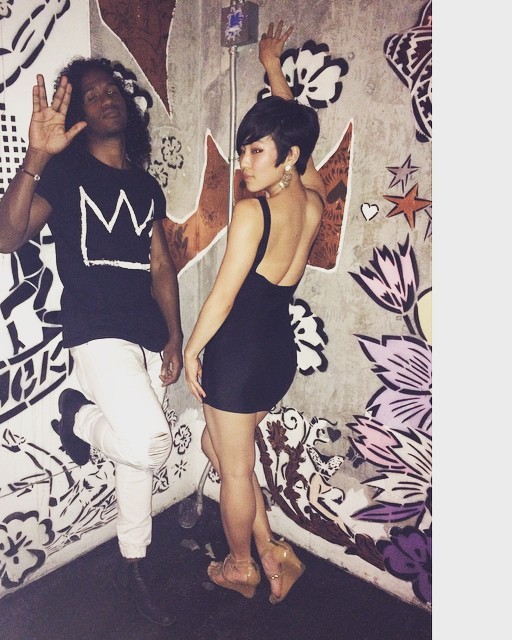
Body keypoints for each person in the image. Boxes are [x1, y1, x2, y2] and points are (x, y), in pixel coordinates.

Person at [0, 57, 183, 626]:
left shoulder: (144, 185)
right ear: (79, 114)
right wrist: (36, 157)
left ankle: (133, 563)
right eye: (92, 95)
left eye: (111, 89)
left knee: (136, 463)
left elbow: (161, 267)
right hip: (96, 330)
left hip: (148, 331)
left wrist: (174, 335)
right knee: (151, 443)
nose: (106, 98)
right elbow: (4, 239)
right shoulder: (65, 175)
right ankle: (75, 416)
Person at [183, 21, 326, 604]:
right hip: (276, 354)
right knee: (217, 449)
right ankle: (272, 552)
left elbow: (222, 296)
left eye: (255, 151)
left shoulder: (251, 212)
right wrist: (273, 72)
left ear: (285, 157)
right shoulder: (312, 203)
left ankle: (241, 566)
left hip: (236, 356)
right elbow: (298, 145)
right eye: (243, 150)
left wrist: (191, 349)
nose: (244, 162)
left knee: (234, 471)